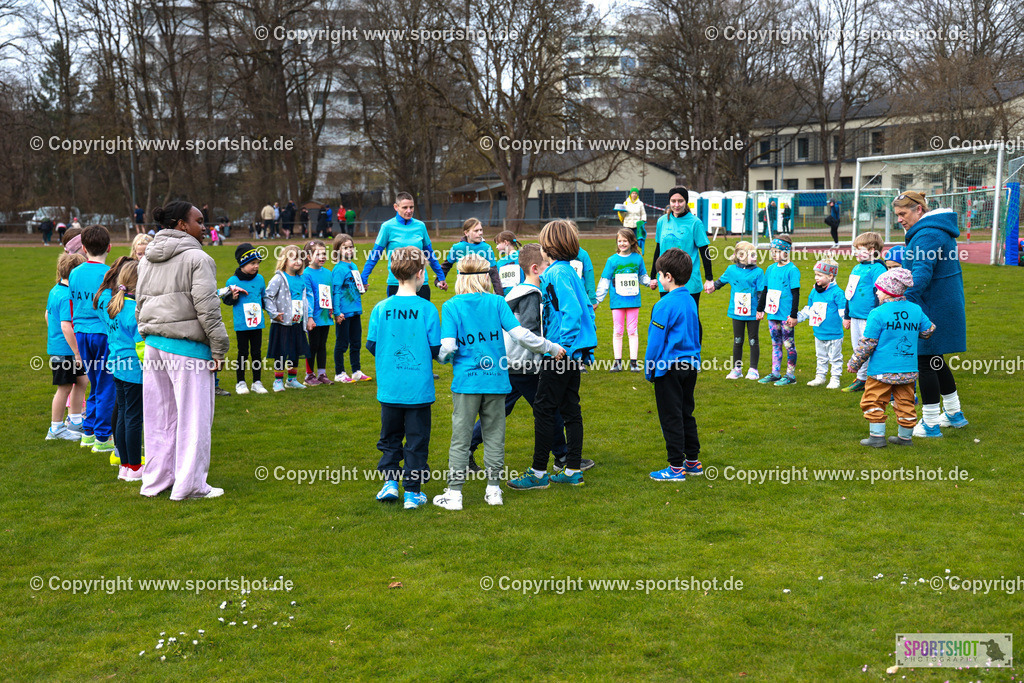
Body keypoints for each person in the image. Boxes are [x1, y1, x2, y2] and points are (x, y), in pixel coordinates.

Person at [433, 254, 564, 511]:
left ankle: (455, 494)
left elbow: (447, 347)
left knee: (460, 438)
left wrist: (440, 359)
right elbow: (521, 335)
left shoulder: (451, 306)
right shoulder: (497, 302)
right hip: (496, 380)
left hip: (467, 383)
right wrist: (550, 347)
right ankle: (494, 491)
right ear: (485, 277)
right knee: (495, 437)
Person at [136, 201, 229, 500]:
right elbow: (208, 308)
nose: (204, 227)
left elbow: (140, 302)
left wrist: (147, 331)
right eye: (199, 221)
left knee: (159, 418)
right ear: (181, 224)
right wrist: (219, 348)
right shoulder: (198, 258)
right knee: (193, 419)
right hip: (187, 349)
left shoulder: (146, 258)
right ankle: (190, 486)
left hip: (154, 346)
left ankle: (156, 481)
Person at [467, 244, 586, 473]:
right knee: (548, 410)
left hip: (512, 363)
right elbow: (529, 331)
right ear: (535, 268)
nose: (550, 269)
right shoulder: (532, 295)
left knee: (500, 410)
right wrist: (550, 347)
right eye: (547, 264)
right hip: (524, 365)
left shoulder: (517, 291)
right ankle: (562, 456)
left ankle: (466, 450)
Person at [508, 220, 597, 490]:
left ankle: (537, 474)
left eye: (543, 241)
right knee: (570, 410)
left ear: (551, 245)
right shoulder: (568, 271)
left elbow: (574, 312)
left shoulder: (557, 272)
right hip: (571, 354)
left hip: (559, 354)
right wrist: (584, 348)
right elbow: (588, 309)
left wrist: (564, 348)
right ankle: (572, 470)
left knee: (544, 409)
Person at [366, 247, 442, 509]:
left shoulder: (381, 308)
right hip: (418, 390)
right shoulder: (427, 309)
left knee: (390, 437)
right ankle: (412, 492)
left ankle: (390, 482)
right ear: (420, 273)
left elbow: (372, 345)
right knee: (417, 440)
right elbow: (435, 349)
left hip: (390, 388)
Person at [892, 191, 969, 436]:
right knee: (936, 361)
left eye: (902, 213)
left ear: (919, 210)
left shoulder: (927, 234)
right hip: (940, 304)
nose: (899, 219)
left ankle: (931, 423)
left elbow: (921, 274)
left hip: (931, 307)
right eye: (897, 215)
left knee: (925, 363)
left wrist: (905, 305)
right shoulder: (935, 230)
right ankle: (954, 413)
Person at [847, 268, 935, 447]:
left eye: (878, 289)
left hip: (881, 370)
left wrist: (855, 363)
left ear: (888, 291)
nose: (876, 293)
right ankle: (905, 438)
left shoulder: (877, 313)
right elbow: (928, 330)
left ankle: (877, 437)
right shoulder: (915, 309)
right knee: (906, 402)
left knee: (873, 400)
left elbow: (867, 344)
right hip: (908, 370)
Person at [645, 248, 703, 481]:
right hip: (690, 367)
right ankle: (693, 461)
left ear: (668, 276)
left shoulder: (664, 305)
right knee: (686, 413)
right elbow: (697, 332)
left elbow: (655, 342)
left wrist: (649, 369)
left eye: (659, 274)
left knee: (671, 417)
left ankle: (676, 467)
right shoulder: (690, 300)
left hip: (668, 369)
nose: (658, 278)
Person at [68, 225, 115, 454]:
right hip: (103, 334)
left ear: (84, 248)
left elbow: (73, 303)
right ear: (109, 247)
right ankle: (103, 437)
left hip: (81, 333)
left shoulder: (75, 273)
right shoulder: (109, 274)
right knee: (107, 384)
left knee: (96, 382)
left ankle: (88, 432)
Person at [653, 186, 714, 342]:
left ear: (686, 202)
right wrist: (653, 276)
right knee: (667, 316)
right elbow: (658, 249)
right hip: (666, 279)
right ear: (669, 201)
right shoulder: (662, 222)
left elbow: (705, 251)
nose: (676, 204)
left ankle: (695, 352)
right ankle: (670, 351)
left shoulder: (695, 223)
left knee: (691, 317)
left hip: (689, 280)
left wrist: (709, 278)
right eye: (673, 201)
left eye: (680, 201)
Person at [361, 192, 447, 298]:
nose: (409, 211)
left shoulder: (420, 226)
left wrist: (441, 276)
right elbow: (375, 255)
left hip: (420, 284)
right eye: (405, 207)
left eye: (411, 207)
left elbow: (430, 254)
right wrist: (363, 278)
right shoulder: (387, 227)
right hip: (396, 283)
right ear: (396, 207)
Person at [595, 228, 655, 372]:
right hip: (617, 302)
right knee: (618, 331)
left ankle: (633, 362)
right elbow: (605, 281)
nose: (622, 243)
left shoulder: (638, 259)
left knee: (633, 331)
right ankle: (617, 362)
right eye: (620, 241)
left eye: (625, 241)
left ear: (631, 242)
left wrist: (650, 283)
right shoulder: (612, 260)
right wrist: (597, 300)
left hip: (633, 301)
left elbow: (642, 276)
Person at [106, 261, 145, 481]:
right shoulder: (134, 311)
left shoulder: (114, 305)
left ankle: (125, 465)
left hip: (118, 367)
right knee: (133, 418)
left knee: (122, 413)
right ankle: (135, 467)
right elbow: (141, 346)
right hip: (133, 371)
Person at [45, 252, 88, 440]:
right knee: (64, 387)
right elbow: (66, 326)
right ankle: (55, 429)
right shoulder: (65, 296)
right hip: (66, 351)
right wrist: (77, 353)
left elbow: (47, 315)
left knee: (82, 381)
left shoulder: (55, 290)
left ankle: (75, 421)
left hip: (64, 348)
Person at [709, 240, 764, 380]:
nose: (756, 257)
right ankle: (737, 369)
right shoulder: (731, 270)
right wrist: (712, 287)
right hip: (736, 312)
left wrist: (760, 309)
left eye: (755, 254)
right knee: (738, 340)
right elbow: (720, 282)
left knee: (753, 340)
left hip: (753, 313)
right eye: (752, 255)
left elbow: (760, 292)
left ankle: (753, 369)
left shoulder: (758, 272)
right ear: (741, 256)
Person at [842, 232, 887, 392]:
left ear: (872, 250)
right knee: (857, 347)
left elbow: (879, 294)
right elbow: (850, 292)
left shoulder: (878, 268)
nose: (855, 252)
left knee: (869, 348)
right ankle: (862, 378)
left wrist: (876, 316)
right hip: (855, 317)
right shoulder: (856, 267)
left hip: (869, 318)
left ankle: (871, 379)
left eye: (859, 249)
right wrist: (847, 315)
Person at [221, 243, 268, 394]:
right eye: (252, 263)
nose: (256, 266)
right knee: (243, 352)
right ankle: (240, 382)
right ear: (242, 263)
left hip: (257, 323)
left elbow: (264, 298)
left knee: (256, 352)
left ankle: (257, 382)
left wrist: (273, 312)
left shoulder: (260, 279)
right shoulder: (232, 281)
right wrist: (233, 297)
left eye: (258, 263)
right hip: (242, 324)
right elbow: (226, 300)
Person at [264, 245, 312, 391]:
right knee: (281, 352)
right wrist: (274, 314)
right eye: (293, 258)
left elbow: (305, 300)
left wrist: (307, 317)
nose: (298, 261)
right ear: (285, 260)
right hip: (282, 323)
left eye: (300, 258)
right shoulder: (278, 278)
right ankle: (278, 380)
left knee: (295, 351)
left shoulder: (301, 280)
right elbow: (268, 296)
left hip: (297, 322)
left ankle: (292, 379)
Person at [794, 258, 845, 389]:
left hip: (834, 333)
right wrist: (797, 318)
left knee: (835, 358)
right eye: (816, 274)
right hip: (819, 332)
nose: (816, 277)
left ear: (830, 276)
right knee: (821, 357)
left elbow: (842, 310)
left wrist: (846, 319)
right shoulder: (814, 291)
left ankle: (835, 378)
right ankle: (820, 376)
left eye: (820, 275)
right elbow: (809, 309)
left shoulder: (838, 293)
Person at [757, 235, 801, 386]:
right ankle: (775, 373)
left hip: (786, 315)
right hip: (772, 313)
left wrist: (793, 315)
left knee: (789, 344)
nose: (774, 254)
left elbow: (796, 293)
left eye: (777, 251)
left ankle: (790, 375)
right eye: (772, 251)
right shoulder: (770, 269)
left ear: (786, 252)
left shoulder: (792, 270)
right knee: (775, 343)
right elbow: (765, 290)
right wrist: (760, 309)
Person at [331, 234, 370, 383]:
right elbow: (336, 292)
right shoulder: (338, 269)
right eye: (345, 247)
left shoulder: (353, 266)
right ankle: (339, 372)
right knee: (342, 343)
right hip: (344, 313)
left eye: (351, 247)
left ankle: (356, 371)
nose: (349, 250)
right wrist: (337, 312)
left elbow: (354, 288)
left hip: (355, 310)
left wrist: (363, 289)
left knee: (356, 342)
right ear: (338, 250)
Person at [302, 239, 334, 385]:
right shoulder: (306, 274)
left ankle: (322, 373)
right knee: (313, 345)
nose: (322, 257)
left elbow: (330, 293)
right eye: (318, 254)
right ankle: (309, 375)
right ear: (309, 257)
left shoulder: (328, 273)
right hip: (313, 317)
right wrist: (309, 317)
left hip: (325, 316)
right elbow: (308, 296)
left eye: (324, 253)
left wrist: (332, 309)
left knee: (322, 345)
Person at [441, 218, 502, 293]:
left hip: (482, 291)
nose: (480, 233)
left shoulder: (486, 248)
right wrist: (439, 280)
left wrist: (500, 294)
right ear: (466, 233)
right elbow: (446, 266)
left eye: (481, 230)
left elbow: (494, 273)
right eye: (476, 231)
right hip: (463, 290)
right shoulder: (457, 248)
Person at [494, 230, 523, 295]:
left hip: (520, 294)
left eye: (498, 244)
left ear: (506, 242)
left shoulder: (522, 257)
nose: (496, 247)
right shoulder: (500, 262)